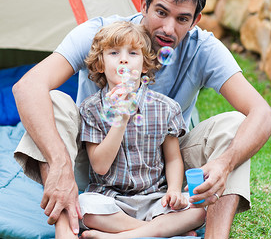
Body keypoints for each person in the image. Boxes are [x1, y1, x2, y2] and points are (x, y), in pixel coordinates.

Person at [13, 0, 271, 239]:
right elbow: (28, 87)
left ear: (196, 20)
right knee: (53, 102)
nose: (168, 28)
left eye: (182, 19)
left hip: (162, 171)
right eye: (161, 12)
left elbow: (263, 114)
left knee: (236, 125)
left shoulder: (204, 49)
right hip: (96, 165)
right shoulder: (102, 35)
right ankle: (67, 232)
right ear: (143, 4)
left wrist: (224, 163)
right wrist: (60, 164)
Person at [62, 21, 204, 238]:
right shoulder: (91, 109)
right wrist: (121, 118)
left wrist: (174, 190)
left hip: (154, 199)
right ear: (100, 64)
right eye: (113, 52)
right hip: (110, 200)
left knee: (199, 212)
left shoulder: (166, 107)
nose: (124, 59)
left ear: (145, 65)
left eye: (133, 53)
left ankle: (117, 237)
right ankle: (156, 232)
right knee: (85, 209)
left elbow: (174, 158)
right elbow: (100, 166)